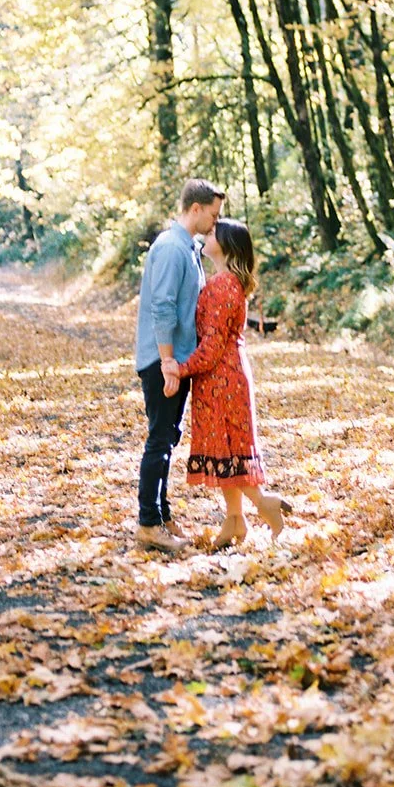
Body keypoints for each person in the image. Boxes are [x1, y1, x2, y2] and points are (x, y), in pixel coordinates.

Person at [165, 217, 290, 549]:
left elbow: (212, 346)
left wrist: (180, 368)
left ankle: (266, 504)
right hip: (221, 376)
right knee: (225, 450)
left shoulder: (223, 286)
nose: (208, 234)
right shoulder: (225, 281)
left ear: (227, 245)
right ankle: (234, 521)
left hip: (223, 378)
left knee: (230, 450)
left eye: (213, 233)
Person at [133, 178, 225, 553]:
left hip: (176, 359)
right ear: (196, 209)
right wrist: (168, 360)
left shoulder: (188, 247)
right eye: (214, 214)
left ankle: (161, 514)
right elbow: (163, 307)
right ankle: (148, 524)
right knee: (159, 439)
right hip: (162, 360)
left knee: (168, 438)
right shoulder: (172, 249)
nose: (216, 221)